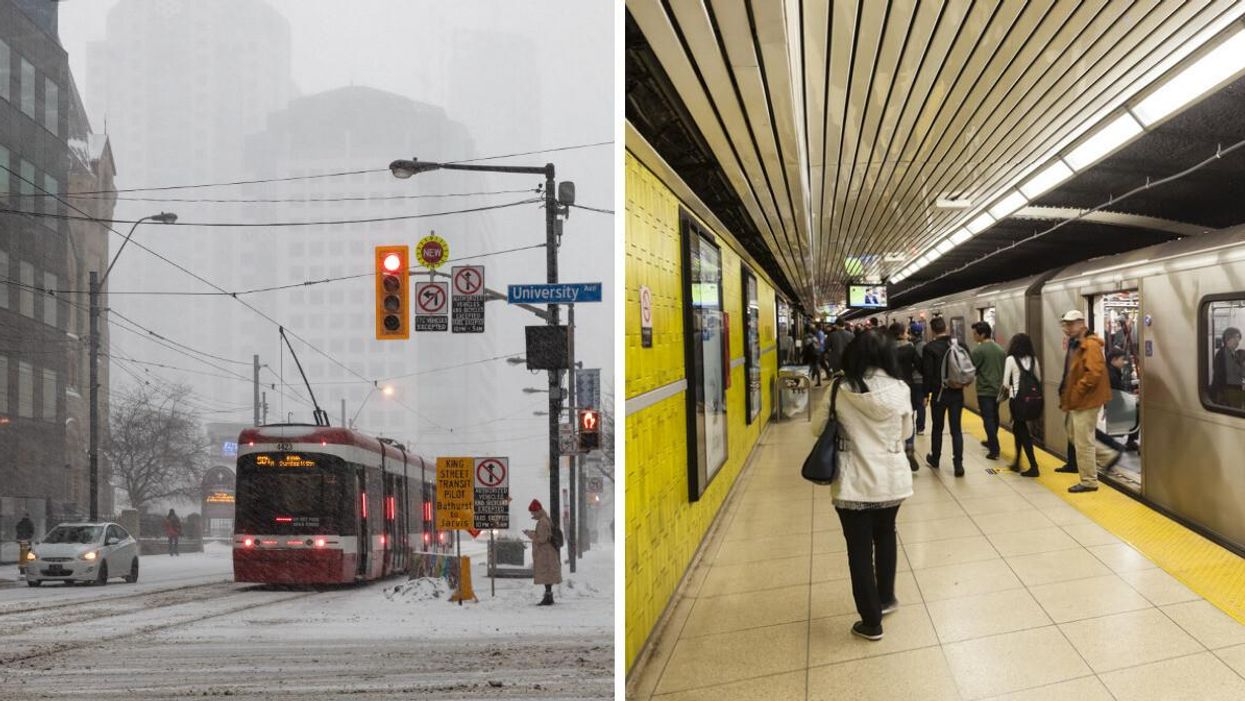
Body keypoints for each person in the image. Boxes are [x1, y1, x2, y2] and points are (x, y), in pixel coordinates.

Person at [810, 331, 913, 641]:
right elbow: (906, 432)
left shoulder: (840, 389)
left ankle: (871, 622)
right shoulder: (901, 388)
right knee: (885, 535)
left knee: (858, 549)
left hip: (853, 483)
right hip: (891, 480)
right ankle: (885, 598)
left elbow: (816, 428)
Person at [1055, 310, 1119, 493]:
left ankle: (1089, 480)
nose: (1067, 328)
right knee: (1074, 434)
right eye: (1066, 324)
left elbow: (1094, 374)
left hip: (1086, 400)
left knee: (1083, 441)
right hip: (1079, 400)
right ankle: (1108, 456)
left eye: (1071, 323)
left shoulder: (1090, 345)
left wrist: (1077, 391)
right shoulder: (1077, 343)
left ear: (1081, 324)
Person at [922, 317, 966, 476]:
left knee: (937, 428)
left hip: (939, 395)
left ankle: (935, 458)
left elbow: (927, 374)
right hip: (957, 393)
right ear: (946, 327)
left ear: (932, 330)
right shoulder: (959, 344)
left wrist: (925, 394)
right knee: (956, 430)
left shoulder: (929, 348)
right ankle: (958, 465)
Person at [1002, 333, 1042, 476]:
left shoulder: (1011, 359)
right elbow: (1038, 379)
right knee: (1018, 428)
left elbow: (1006, 384)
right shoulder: (1034, 359)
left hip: (1017, 400)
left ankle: (1034, 466)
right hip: (1032, 400)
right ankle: (1017, 461)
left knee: (1021, 430)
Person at [970, 322, 1006, 460]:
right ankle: (991, 441)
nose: (973, 336)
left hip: (984, 390)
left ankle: (994, 448)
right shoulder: (1000, 349)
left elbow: (972, 368)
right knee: (994, 417)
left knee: (988, 419)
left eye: (975, 334)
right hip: (997, 390)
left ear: (982, 334)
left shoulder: (979, 350)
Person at [888, 322, 921, 471]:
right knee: (909, 418)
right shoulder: (910, 348)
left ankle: (893, 450)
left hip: (889, 387)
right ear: (901, 333)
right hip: (908, 386)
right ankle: (909, 448)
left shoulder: (886, 349)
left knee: (890, 419)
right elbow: (920, 366)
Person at [523, 499, 561, 605]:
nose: (532, 514)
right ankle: (548, 596)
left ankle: (548, 597)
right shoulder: (545, 520)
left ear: (537, 511)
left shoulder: (543, 522)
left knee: (546, 574)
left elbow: (542, 539)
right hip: (547, 552)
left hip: (545, 553)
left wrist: (530, 534)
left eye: (532, 512)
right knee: (547, 575)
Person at [1211, 327, 1243, 409]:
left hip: (1235, 390)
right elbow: (1235, 372)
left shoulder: (1234, 354)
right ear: (1227, 339)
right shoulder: (1223, 354)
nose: (1238, 341)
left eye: (1239, 338)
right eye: (1236, 338)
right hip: (1228, 391)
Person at [909, 323, 927, 435]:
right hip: (922, 380)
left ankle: (910, 427)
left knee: (910, 405)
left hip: (911, 380)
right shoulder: (925, 346)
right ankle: (920, 428)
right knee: (921, 405)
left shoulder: (910, 346)